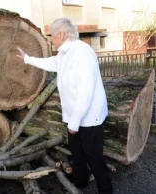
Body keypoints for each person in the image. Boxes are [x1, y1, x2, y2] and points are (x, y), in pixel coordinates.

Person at [16, 18, 113, 194]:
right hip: (74, 117)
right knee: (77, 154)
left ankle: (106, 190)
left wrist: (74, 123)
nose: (51, 39)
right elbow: (52, 64)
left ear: (61, 34)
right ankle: (80, 182)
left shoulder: (82, 53)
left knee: (95, 158)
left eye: (52, 36)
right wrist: (27, 59)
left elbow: (85, 93)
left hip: (90, 118)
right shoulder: (65, 53)